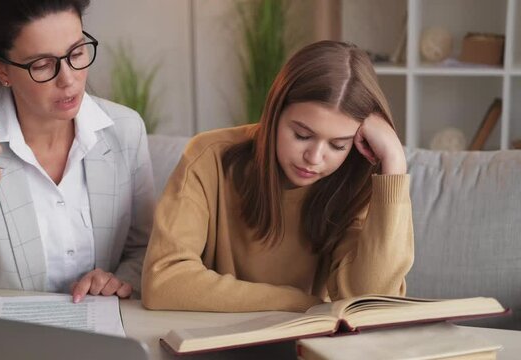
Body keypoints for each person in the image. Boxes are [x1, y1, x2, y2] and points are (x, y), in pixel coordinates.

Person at [0, 0, 155, 309]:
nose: (68, 79)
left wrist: (116, 282)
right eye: (43, 65)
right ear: (0, 69)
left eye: (76, 53)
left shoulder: (125, 130)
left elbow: (145, 250)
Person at [142, 41, 414, 312]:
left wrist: (394, 164)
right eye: (302, 135)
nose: (315, 157)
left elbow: (372, 301)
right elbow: (163, 282)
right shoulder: (208, 158)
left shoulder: (356, 179)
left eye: (338, 145)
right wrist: (304, 304)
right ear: (275, 113)